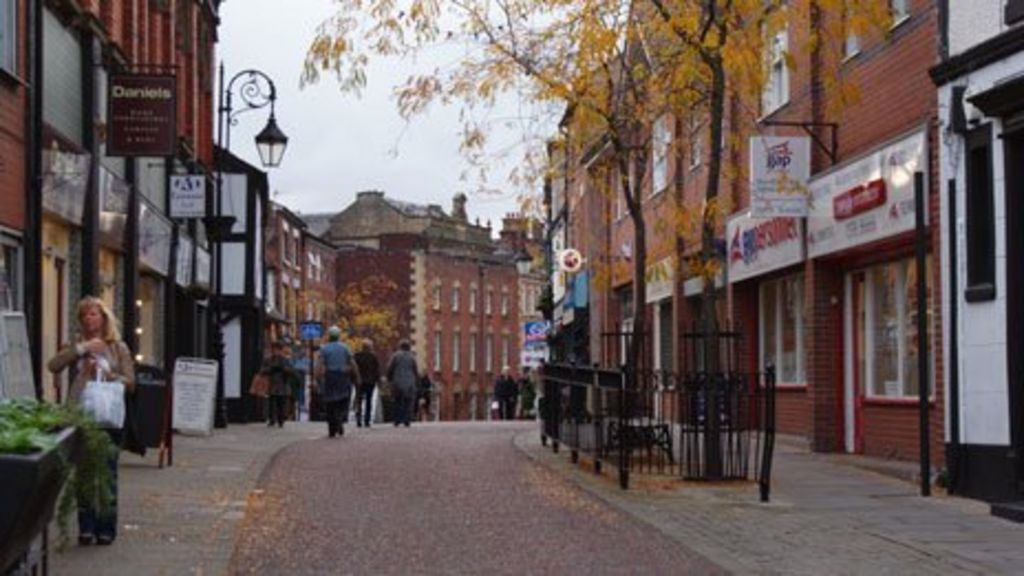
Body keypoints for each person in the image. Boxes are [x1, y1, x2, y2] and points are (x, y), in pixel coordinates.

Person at [47, 296, 136, 546]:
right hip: (81, 417)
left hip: (108, 418)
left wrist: (110, 375)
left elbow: (131, 383)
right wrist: (82, 353)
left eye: (94, 314)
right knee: (84, 474)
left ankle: (106, 528)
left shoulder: (119, 348)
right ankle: (86, 528)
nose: (89, 319)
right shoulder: (75, 346)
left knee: (107, 474)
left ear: (104, 318)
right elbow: (53, 366)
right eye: (84, 315)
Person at [316, 326, 359, 437]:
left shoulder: (324, 349)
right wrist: (357, 376)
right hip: (342, 376)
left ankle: (332, 426)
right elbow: (352, 363)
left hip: (330, 376)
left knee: (330, 402)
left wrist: (318, 378)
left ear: (329, 336)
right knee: (342, 400)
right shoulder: (345, 348)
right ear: (338, 336)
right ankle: (339, 419)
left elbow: (319, 365)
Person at [259, 341, 295, 428]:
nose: (275, 352)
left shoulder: (285, 360)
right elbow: (262, 371)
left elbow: (291, 371)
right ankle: (272, 419)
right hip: (272, 385)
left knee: (281, 404)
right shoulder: (268, 360)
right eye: (274, 349)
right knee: (272, 403)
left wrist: (284, 369)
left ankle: (281, 420)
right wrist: (271, 369)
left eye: (277, 350)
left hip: (282, 385)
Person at [385, 340, 418, 427]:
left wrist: (389, 378)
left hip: (397, 381)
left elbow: (389, 368)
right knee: (408, 402)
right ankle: (407, 420)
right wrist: (417, 380)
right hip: (409, 382)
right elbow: (415, 370)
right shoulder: (412, 357)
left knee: (397, 401)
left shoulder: (395, 356)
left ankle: (397, 420)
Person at [353, 339, 380, 428]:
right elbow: (377, 370)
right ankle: (367, 420)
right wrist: (377, 380)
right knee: (369, 400)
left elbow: (353, 368)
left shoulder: (357, 356)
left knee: (359, 400)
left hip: (359, 381)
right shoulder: (373, 357)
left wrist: (353, 379)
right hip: (370, 381)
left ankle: (359, 419)